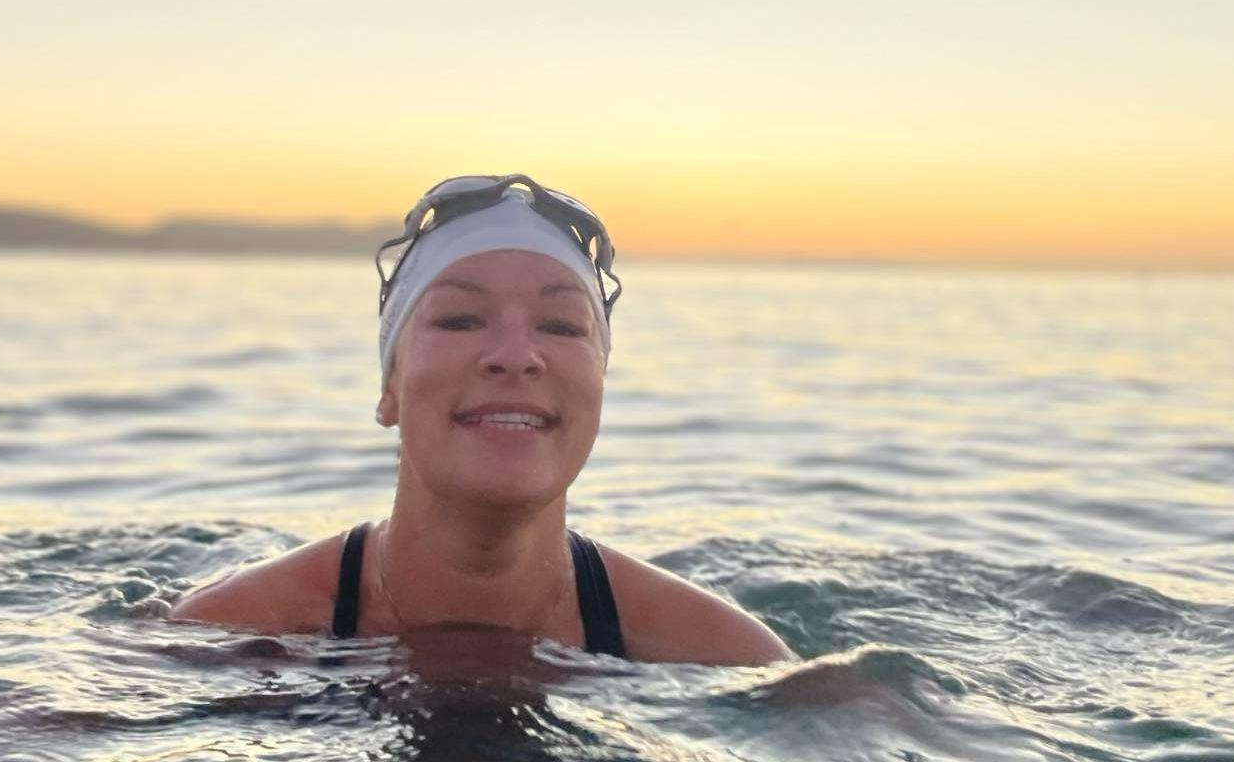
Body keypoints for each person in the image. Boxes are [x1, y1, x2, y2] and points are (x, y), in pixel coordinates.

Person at [170, 174, 795, 666]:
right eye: (461, 320)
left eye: (560, 326)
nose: (517, 357)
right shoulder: (225, 636)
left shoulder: (728, 657)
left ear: (599, 387)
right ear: (390, 387)